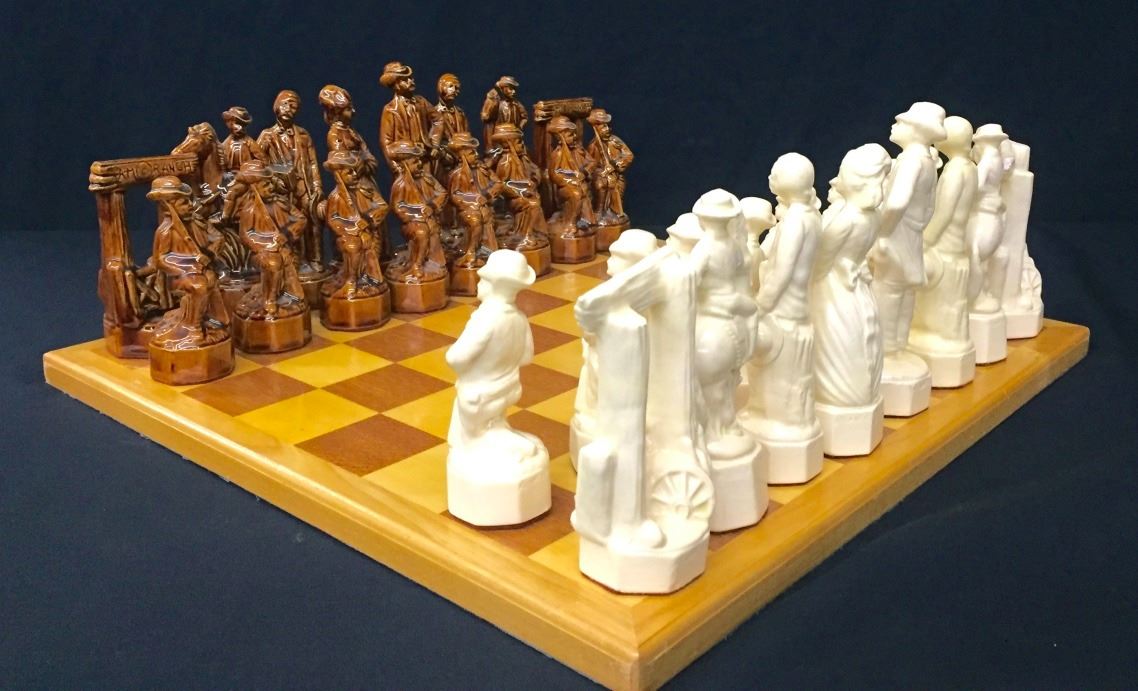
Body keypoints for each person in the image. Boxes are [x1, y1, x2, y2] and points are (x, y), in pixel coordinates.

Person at [147, 176, 229, 343]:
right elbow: (160, 260)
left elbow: (218, 238)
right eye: (184, 203)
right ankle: (194, 327)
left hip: (200, 270)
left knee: (211, 279)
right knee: (199, 287)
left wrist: (210, 254)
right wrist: (189, 265)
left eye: (189, 201)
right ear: (169, 206)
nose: (190, 205)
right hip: (178, 277)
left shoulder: (196, 222)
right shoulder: (166, 231)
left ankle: (213, 319)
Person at [319, 84, 389, 257]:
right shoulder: (334, 134)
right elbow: (341, 162)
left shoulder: (353, 133)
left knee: (378, 216)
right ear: (337, 112)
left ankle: (376, 258)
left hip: (365, 182)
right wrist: (357, 165)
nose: (354, 111)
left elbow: (369, 157)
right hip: (351, 185)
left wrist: (365, 163)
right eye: (349, 109)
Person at [257, 90, 324, 268]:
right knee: (289, 223)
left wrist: (317, 186)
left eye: (293, 106)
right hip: (281, 189)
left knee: (313, 217)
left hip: (304, 186)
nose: (288, 109)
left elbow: (313, 163)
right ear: (276, 107)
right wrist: (273, 181)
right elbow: (258, 164)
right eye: (285, 104)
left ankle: (315, 258)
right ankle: (293, 262)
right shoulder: (267, 135)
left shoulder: (303, 135)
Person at [230, 160, 304, 317]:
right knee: (273, 263)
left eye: (270, 183)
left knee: (286, 260)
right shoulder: (249, 210)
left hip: (284, 248)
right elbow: (246, 235)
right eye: (265, 185)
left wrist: (288, 234)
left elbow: (300, 219)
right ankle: (270, 298)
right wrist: (266, 246)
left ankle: (288, 295)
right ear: (254, 188)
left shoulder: (281, 203)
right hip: (261, 252)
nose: (271, 187)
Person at [324, 151, 386, 299]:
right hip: (348, 237)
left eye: (354, 170)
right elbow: (333, 220)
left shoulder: (365, 190)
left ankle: (369, 279)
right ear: (339, 175)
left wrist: (369, 219)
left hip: (371, 234)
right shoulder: (335, 197)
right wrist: (353, 228)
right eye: (349, 172)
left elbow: (383, 206)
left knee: (370, 249)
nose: (355, 174)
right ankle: (351, 280)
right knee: (353, 247)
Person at [389, 141, 447, 280]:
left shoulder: (426, 178)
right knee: (421, 233)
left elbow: (442, 193)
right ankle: (417, 264)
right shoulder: (400, 184)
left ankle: (433, 261)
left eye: (419, 160)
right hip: (412, 222)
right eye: (415, 162)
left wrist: (432, 206)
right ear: (405, 165)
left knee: (432, 228)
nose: (419, 164)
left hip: (428, 218)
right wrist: (417, 214)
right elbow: (397, 207)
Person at [447, 133, 503, 267]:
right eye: (472, 153)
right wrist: (474, 200)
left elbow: (498, 183)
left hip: (483, 206)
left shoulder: (482, 169)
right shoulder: (457, 174)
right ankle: (471, 250)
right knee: (475, 221)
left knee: (485, 216)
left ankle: (487, 250)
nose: (476, 155)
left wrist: (488, 195)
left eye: (475, 151)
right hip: (467, 209)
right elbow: (454, 195)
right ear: (462, 156)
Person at [490, 123, 546, 247]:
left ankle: (529, 231)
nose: (522, 145)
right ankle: (527, 234)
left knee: (535, 200)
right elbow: (503, 185)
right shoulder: (505, 162)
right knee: (533, 204)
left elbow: (535, 170)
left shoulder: (523, 159)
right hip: (513, 199)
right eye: (519, 142)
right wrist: (521, 191)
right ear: (509, 144)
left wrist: (533, 181)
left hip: (525, 194)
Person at [378, 61, 433, 172]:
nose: (410, 81)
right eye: (405, 80)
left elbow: (438, 119)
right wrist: (394, 166)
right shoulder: (390, 110)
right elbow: (386, 143)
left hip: (425, 157)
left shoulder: (421, 102)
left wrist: (434, 144)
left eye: (411, 78)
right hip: (405, 163)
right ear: (395, 85)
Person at [547, 115, 595, 233]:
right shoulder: (557, 154)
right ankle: (570, 223)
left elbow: (592, 162)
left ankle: (585, 219)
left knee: (584, 190)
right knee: (576, 194)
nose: (574, 137)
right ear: (560, 137)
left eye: (574, 134)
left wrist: (585, 171)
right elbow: (554, 174)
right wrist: (571, 179)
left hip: (580, 183)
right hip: (565, 187)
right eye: (570, 135)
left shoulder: (578, 150)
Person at [585, 109, 634, 225]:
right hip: (602, 177)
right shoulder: (593, 146)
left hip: (616, 176)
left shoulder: (614, 141)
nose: (607, 129)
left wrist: (615, 164)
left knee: (617, 193)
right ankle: (600, 212)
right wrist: (600, 171)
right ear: (596, 128)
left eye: (607, 126)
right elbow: (590, 164)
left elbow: (628, 155)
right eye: (603, 126)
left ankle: (615, 212)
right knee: (601, 185)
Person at [480, 76, 527, 157]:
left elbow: (524, 117)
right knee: (496, 157)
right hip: (498, 139)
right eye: (510, 89)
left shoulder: (516, 104)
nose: (514, 92)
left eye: (514, 89)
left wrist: (519, 128)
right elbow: (486, 116)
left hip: (514, 138)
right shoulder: (496, 102)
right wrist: (493, 100)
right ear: (503, 88)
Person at [219, 106, 264, 177]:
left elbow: (263, 160)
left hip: (246, 176)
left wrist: (251, 168)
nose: (239, 127)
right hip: (230, 176)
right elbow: (220, 161)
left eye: (241, 124)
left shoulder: (249, 142)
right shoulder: (226, 144)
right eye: (235, 123)